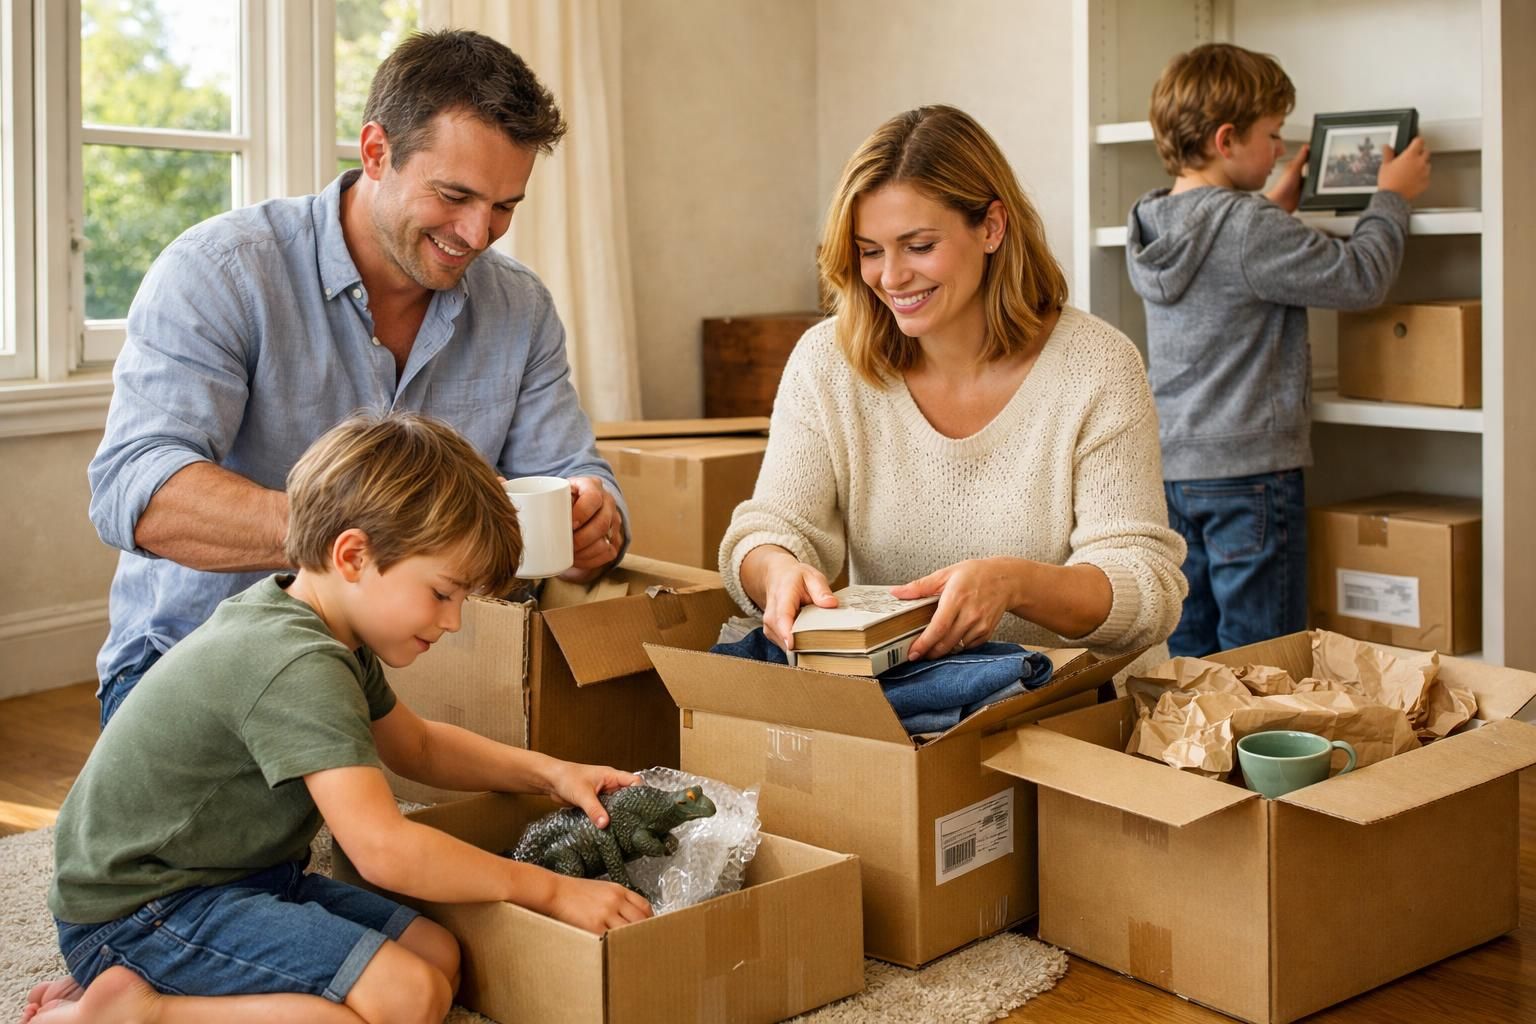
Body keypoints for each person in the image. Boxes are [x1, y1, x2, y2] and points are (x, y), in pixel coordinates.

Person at [24, 412, 652, 1024]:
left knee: (437, 957)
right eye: (441, 593)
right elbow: (382, 848)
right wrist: (551, 890)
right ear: (353, 556)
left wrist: (553, 773)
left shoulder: (328, 633)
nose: (453, 620)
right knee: (404, 999)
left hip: (245, 877)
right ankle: (139, 1010)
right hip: (143, 908)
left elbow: (421, 749)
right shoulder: (295, 662)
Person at [87, 29, 628, 730]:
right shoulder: (221, 272)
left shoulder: (519, 307)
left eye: (504, 206)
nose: (477, 233)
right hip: (198, 666)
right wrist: (376, 540)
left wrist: (594, 521)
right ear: (376, 151)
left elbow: (573, 473)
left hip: (425, 679)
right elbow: (139, 491)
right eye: (454, 194)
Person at [719, 105, 1187, 667]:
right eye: (870, 251)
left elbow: (1147, 587)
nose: (891, 278)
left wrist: (1015, 584)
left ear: (991, 227)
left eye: (918, 246)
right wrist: (776, 568)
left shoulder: (1098, 366)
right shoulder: (828, 362)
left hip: (1079, 712)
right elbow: (769, 529)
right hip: (917, 714)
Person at [1126, 43, 1431, 656]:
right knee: (1266, 654)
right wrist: (1391, 197)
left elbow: (1229, 250)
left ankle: (1199, 750)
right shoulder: (1249, 229)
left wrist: (1274, 201)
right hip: (1250, 479)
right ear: (1227, 139)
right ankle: (1263, 752)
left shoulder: (1153, 221)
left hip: (1173, 473)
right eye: (1273, 136)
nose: (1282, 151)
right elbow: (1361, 277)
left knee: (1193, 652)